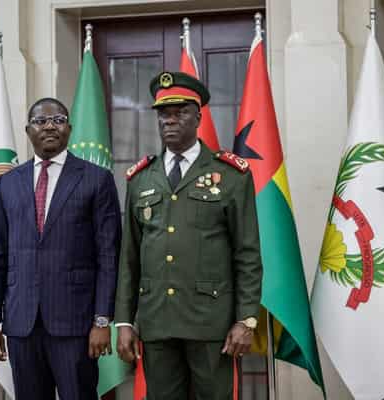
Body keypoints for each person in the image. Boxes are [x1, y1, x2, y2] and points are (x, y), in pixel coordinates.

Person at [114, 72, 263, 400]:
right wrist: (123, 321)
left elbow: (247, 254)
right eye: (163, 114)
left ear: (198, 117)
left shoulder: (230, 175)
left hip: (210, 321)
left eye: (180, 112)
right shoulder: (141, 178)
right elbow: (129, 256)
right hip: (157, 320)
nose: (170, 120)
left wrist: (246, 320)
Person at [0, 98, 121, 400]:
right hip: (22, 324)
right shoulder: (7, 184)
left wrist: (102, 320)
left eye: (57, 120)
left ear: (69, 129)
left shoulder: (96, 179)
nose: (49, 126)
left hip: (76, 325)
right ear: (27, 131)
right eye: (40, 121)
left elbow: (108, 257)